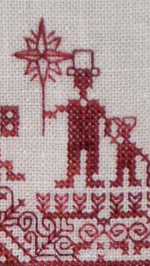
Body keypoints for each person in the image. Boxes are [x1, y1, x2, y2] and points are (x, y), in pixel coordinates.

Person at [45, 50, 108, 189]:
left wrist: (108, 127)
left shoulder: (93, 104)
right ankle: (71, 178)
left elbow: (103, 115)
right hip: (76, 135)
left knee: (92, 156)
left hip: (91, 135)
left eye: (86, 78)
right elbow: (63, 109)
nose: (82, 83)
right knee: (74, 155)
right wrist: (51, 113)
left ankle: (91, 179)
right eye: (79, 78)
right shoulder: (74, 104)